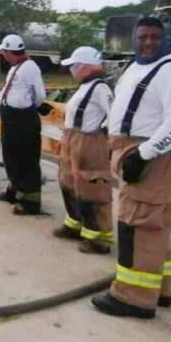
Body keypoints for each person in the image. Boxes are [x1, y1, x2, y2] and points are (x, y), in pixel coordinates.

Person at [92, 16, 171, 320]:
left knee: (139, 225)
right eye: (142, 37)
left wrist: (145, 155)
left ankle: (133, 298)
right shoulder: (136, 68)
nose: (148, 42)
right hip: (132, 149)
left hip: (150, 155)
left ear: (166, 40)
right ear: (134, 39)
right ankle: (158, 290)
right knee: (153, 226)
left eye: (155, 37)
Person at [54, 46, 115, 253]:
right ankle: (75, 223)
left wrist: (102, 136)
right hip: (72, 139)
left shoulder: (100, 89)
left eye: (74, 66)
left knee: (92, 187)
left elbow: (114, 115)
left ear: (85, 66)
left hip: (90, 141)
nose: (72, 70)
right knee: (69, 182)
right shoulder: (84, 87)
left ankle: (99, 238)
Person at [0, 33, 51, 215]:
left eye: (4, 52)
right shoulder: (16, 67)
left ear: (9, 52)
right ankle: (15, 189)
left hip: (23, 119)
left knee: (26, 158)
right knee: (11, 156)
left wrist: (32, 106)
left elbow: (39, 94)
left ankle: (31, 200)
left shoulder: (30, 68)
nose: (3, 55)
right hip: (11, 117)